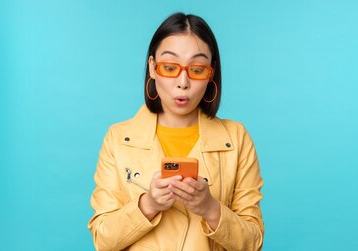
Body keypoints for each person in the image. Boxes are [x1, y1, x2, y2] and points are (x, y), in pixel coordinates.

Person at [88, 13, 264, 251]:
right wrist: (148, 205)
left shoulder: (235, 138)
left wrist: (210, 208)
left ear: (211, 72)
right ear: (152, 67)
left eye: (197, 69)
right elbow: (103, 240)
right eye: (170, 67)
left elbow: (253, 243)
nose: (183, 82)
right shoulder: (118, 139)